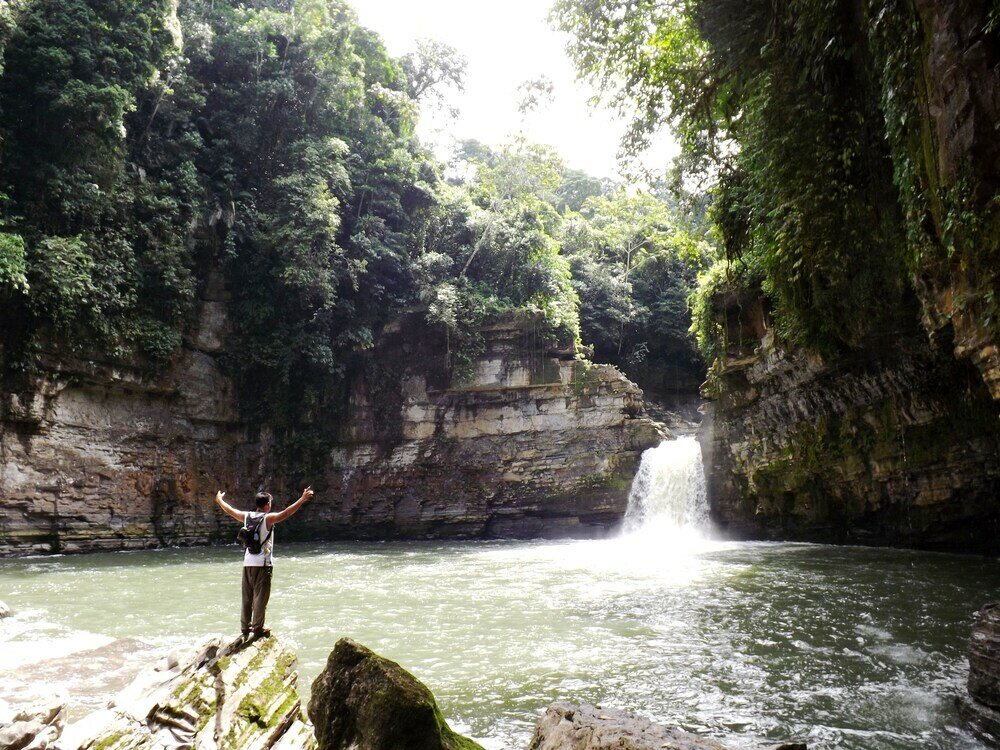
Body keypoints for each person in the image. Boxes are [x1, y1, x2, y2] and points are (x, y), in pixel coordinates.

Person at [213, 486, 314, 641]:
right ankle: (258, 628)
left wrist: (219, 500)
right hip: (263, 565)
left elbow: (229, 510)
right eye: (270, 503)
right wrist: (302, 499)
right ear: (267, 504)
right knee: (260, 597)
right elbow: (286, 513)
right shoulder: (268, 519)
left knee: (247, 596)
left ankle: (245, 627)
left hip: (247, 563)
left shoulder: (246, 516)